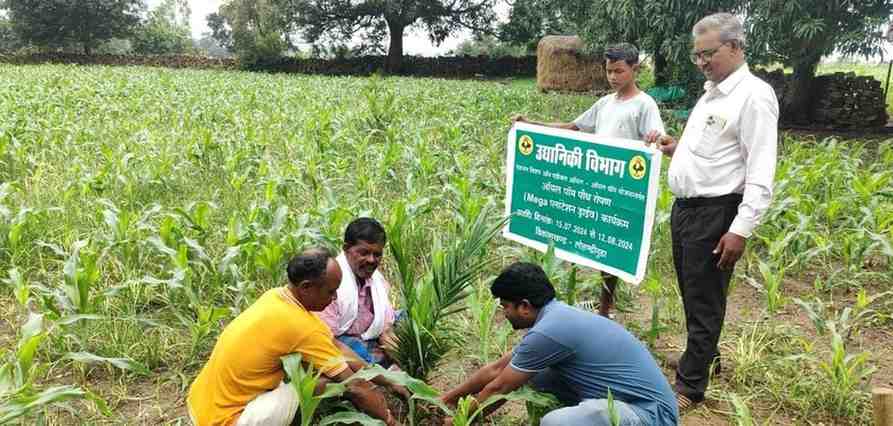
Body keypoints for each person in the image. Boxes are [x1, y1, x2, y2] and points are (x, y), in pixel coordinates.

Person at [645, 13, 779, 413]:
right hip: (687, 210)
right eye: (697, 55)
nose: (702, 61)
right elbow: (713, 151)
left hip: (717, 212)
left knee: (705, 298)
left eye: (709, 53)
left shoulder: (753, 95)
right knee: (692, 289)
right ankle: (705, 358)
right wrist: (674, 148)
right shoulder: (713, 92)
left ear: (736, 47)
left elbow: (760, 167)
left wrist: (740, 228)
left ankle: (690, 387)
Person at [511, 43, 666, 318]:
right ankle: (574, 302)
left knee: (610, 253)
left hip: (620, 190)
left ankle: (606, 308)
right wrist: (531, 124)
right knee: (581, 242)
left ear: (635, 69)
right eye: (609, 71)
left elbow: (657, 141)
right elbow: (573, 127)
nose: (613, 77)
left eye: (619, 71)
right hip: (592, 187)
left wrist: (655, 140)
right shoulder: (605, 103)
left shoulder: (645, 105)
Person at [440, 262, 678, 426]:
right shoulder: (556, 318)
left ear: (524, 306)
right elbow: (496, 370)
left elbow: (498, 387)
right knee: (534, 376)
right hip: (633, 405)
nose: (504, 314)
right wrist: (447, 399)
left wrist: (458, 421)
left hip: (652, 417)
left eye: (505, 307)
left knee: (555, 423)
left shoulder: (549, 331)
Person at [187, 248, 401, 426]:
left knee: (315, 381)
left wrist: (388, 381)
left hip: (200, 404)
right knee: (330, 385)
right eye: (330, 291)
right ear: (306, 288)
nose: (335, 297)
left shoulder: (276, 297)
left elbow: (336, 346)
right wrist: (391, 421)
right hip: (227, 420)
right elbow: (355, 386)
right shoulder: (301, 327)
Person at [317, 218, 400, 366]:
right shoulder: (331, 284)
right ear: (346, 248)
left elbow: (387, 323)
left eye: (377, 254)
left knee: (407, 320)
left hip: (371, 336)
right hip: (345, 341)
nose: (371, 260)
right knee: (353, 348)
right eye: (364, 253)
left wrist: (389, 335)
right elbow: (326, 339)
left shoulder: (376, 280)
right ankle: (378, 372)